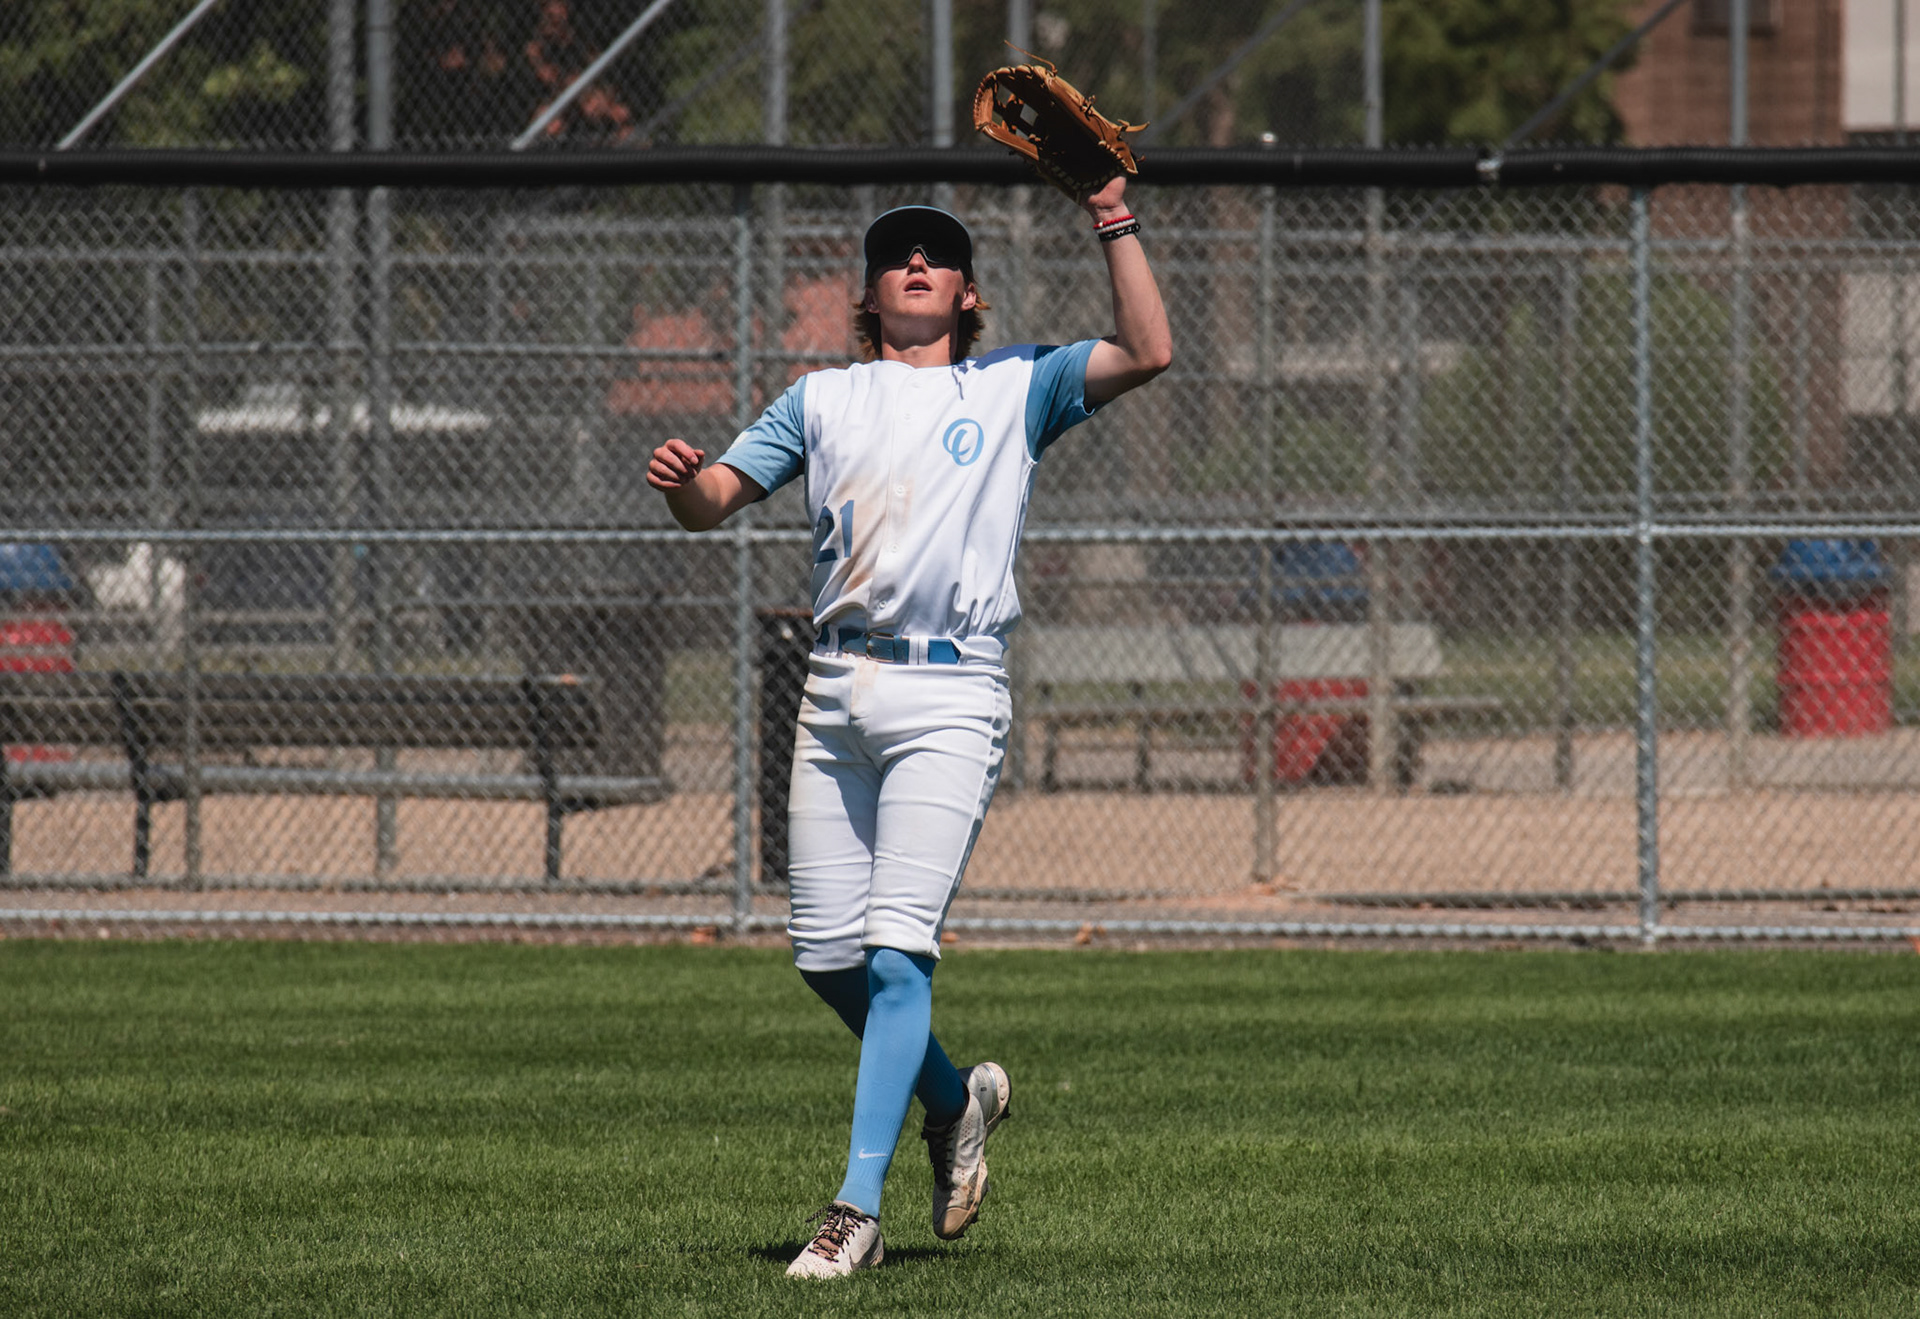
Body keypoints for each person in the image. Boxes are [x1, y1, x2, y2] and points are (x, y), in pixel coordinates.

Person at [647, 175, 1171, 1278]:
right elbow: (713, 502)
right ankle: (956, 1100)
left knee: (895, 955)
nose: (918, 262)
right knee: (825, 958)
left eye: (938, 253)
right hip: (836, 689)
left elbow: (1149, 348)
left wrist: (1111, 215)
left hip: (951, 693)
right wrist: (684, 485)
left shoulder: (1016, 383)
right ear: (872, 294)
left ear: (968, 293)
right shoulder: (821, 399)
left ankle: (856, 1209)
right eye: (898, 255)